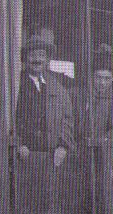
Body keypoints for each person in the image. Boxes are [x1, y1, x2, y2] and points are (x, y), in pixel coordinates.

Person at [14, 31, 74, 165]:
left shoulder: (57, 87)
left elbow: (67, 119)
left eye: (41, 55)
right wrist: (17, 143)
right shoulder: (16, 85)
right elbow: (9, 119)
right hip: (23, 156)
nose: (37, 60)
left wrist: (63, 145)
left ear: (47, 59)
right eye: (33, 55)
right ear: (25, 59)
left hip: (51, 157)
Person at [84, 44, 113, 142]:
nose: (102, 83)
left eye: (107, 79)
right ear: (92, 76)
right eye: (99, 77)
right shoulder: (79, 93)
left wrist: (101, 139)